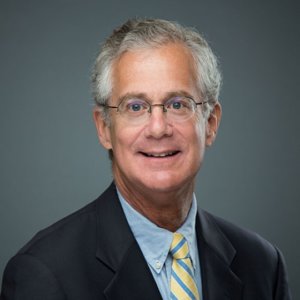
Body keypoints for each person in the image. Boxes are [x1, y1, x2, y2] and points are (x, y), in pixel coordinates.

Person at [0, 18, 291, 300]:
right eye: (135, 106)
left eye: (178, 104)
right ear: (104, 129)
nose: (158, 128)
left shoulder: (263, 265)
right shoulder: (44, 273)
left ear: (211, 123)